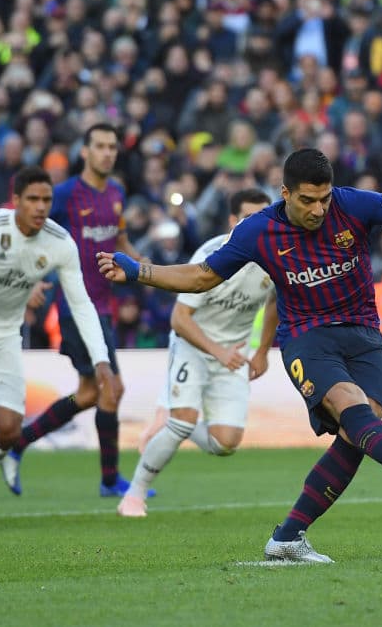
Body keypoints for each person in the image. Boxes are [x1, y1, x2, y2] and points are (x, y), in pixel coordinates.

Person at [98, 149, 382, 563]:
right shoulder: (257, 230)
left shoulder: (352, 203)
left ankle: (287, 537)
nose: (318, 209)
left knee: (360, 434)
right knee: (350, 405)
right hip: (307, 338)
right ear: (285, 193)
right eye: (307, 200)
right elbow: (202, 277)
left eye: (324, 198)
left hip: (365, 337)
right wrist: (140, 270)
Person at [0, 166, 113, 519]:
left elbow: (81, 304)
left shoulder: (59, 242)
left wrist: (100, 358)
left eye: (46, 200)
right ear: (16, 201)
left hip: (4, 341)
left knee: (10, 429)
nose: (41, 207)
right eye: (33, 199)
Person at [0, 124, 144, 498]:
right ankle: (110, 481)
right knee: (111, 387)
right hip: (76, 307)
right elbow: (24, 231)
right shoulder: (62, 195)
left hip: (104, 306)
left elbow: (120, 236)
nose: (108, 153)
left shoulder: (115, 193)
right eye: (100, 146)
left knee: (88, 393)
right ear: (85, 151)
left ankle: (20, 440)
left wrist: (143, 268)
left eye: (113, 147)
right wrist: (29, 277)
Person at [117, 189, 278, 518]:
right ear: (233, 221)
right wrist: (218, 352)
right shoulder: (211, 254)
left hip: (232, 354)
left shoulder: (273, 256)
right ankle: (134, 495)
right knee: (182, 422)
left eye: (264, 216)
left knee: (226, 443)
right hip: (193, 345)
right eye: (249, 217)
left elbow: (275, 301)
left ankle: (169, 422)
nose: (258, 224)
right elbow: (180, 318)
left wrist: (262, 351)